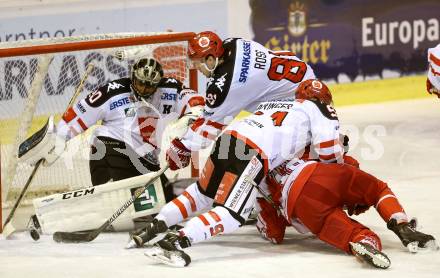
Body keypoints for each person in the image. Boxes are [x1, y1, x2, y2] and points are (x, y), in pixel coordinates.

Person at [132, 79, 345, 267]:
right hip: (251, 154)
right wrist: (338, 171)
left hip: (228, 139)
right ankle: (173, 242)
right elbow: (329, 152)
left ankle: (151, 228)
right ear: (324, 99)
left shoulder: (278, 103)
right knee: (234, 215)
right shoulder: (320, 108)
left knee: (202, 193)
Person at [25, 57, 204, 201]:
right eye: (140, 83)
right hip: (110, 151)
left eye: (150, 85)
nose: (144, 88)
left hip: (146, 162)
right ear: (133, 77)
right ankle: (112, 198)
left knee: (166, 201)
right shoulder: (112, 92)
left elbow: (195, 102)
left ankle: (136, 200)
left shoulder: (169, 89)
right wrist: (55, 142)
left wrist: (191, 118)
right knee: (120, 196)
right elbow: (77, 117)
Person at [165, 31, 317, 171]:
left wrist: (183, 147)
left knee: (261, 147)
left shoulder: (228, 86)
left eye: (197, 62)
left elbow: (210, 129)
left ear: (211, 59)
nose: (196, 67)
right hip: (300, 75)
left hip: (300, 100)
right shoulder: (233, 43)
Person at [255, 158, 438, 269]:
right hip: (326, 172)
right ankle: (401, 223)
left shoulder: (250, 180)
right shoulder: (285, 136)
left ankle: (365, 242)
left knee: (357, 235)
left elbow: (274, 234)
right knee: (378, 189)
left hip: (305, 203)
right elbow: (345, 159)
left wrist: (261, 220)